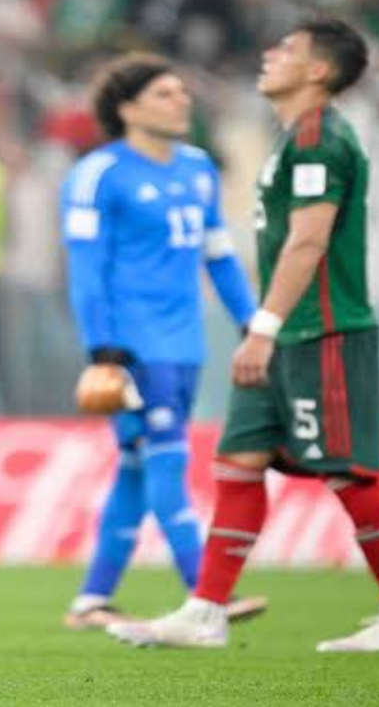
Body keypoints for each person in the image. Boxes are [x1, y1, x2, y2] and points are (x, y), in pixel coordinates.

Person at [108, 18, 379, 652]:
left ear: (318, 70)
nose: (269, 55)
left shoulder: (320, 137)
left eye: (287, 50)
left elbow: (310, 240)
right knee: (238, 463)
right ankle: (207, 610)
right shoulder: (293, 137)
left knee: (348, 472)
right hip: (287, 332)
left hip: (324, 333)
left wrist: (260, 328)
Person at [61, 52, 263, 630]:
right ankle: (207, 595)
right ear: (128, 108)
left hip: (186, 343)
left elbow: (219, 256)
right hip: (131, 347)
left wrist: (253, 321)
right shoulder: (99, 173)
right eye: (165, 94)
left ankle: (90, 600)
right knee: (168, 460)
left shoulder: (199, 167)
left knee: (135, 465)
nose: (183, 101)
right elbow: (86, 268)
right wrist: (101, 346)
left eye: (183, 92)